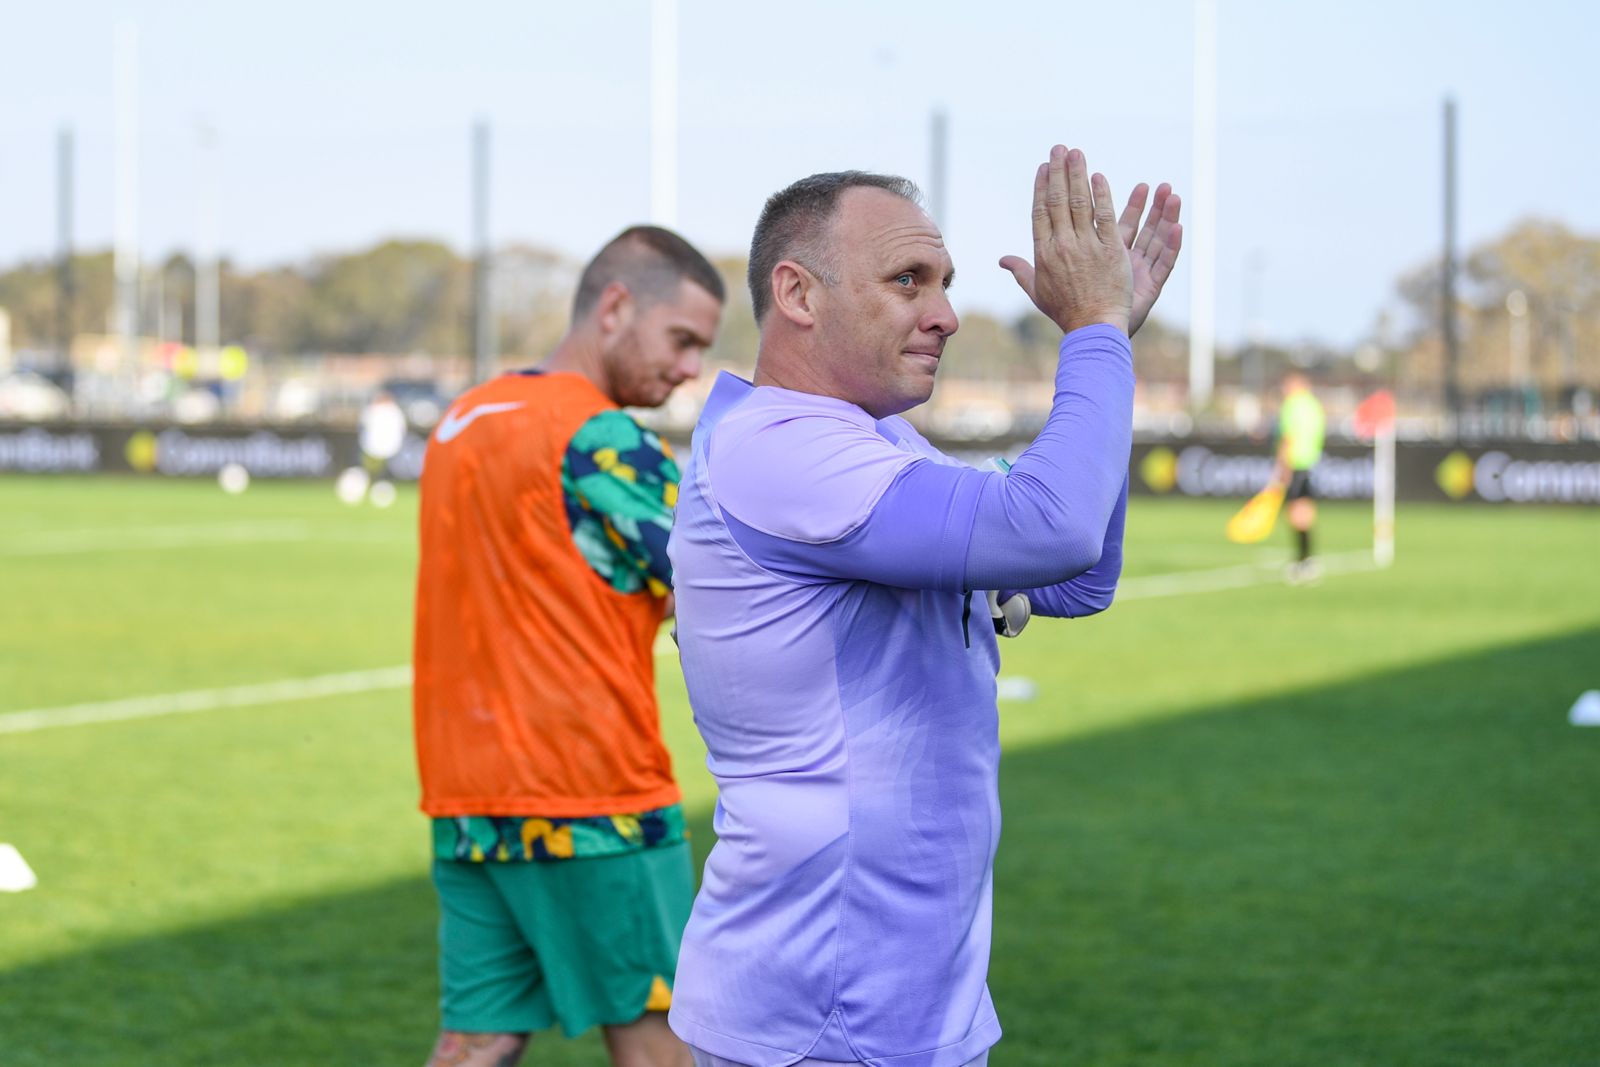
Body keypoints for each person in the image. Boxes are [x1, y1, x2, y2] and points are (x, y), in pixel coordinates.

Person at [666, 147, 1181, 1067]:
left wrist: (1110, 343)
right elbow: (1055, 526)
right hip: (819, 1008)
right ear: (798, 293)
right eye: (908, 279)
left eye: (943, 282)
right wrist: (1095, 330)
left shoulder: (878, 443)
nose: (945, 313)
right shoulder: (776, 449)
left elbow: (1075, 577)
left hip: (910, 999)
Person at [412, 225, 725, 1067]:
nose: (691, 368)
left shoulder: (462, 418)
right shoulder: (600, 439)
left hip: (467, 794)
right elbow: (724, 582)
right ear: (616, 307)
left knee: (476, 1039)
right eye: (682, 339)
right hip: (590, 792)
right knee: (664, 1042)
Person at [1273, 370, 1326, 582]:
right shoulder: (1314, 405)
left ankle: (1302, 559)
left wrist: (1282, 467)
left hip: (1296, 463)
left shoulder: (1292, 405)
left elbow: (1288, 437)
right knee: (1306, 512)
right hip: (1312, 463)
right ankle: (1307, 559)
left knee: (1296, 514)